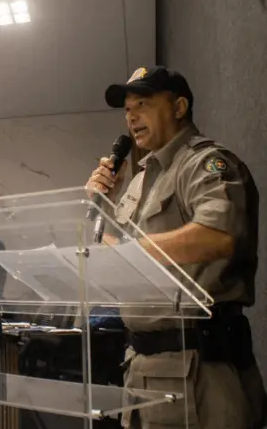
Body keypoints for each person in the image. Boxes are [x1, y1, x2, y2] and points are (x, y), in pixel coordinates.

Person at [87, 66, 267, 428]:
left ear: (179, 106)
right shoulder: (138, 181)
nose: (131, 116)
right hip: (142, 368)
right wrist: (103, 203)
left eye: (142, 104)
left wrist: (133, 251)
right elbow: (116, 254)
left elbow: (219, 234)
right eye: (126, 109)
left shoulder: (204, 163)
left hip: (198, 369)